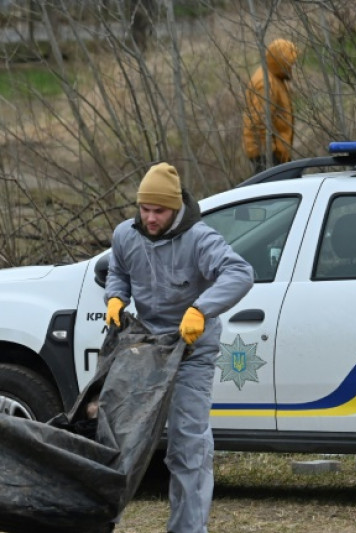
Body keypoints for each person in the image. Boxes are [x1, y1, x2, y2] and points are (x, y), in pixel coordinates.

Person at [104, 162, 254, 533]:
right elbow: (117, 269)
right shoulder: (125, 234)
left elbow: (240, 273)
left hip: (190, 352)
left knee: (187, 447)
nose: (150, 218)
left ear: (176, 209)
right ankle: (96, 520)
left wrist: (202, 308)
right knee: (119, 440)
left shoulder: (200, 239)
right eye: (145, 209)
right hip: (144, 348)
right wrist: (115, 297)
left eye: (159, 211)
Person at [242, 39, 298, 174]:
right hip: (267, 155)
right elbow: (259, 122)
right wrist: (272, 155)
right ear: (281, 63)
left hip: (275, 153)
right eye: (289, 64)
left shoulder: (275, 77)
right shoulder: (266, 82)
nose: (292, 68)